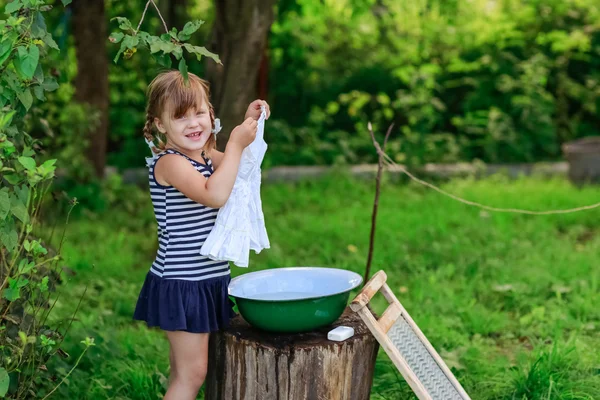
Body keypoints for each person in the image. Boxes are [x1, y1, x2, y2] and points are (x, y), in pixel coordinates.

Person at [133, 70, 270, 399]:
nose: (193, 123)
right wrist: (234, 143)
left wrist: (249, 124)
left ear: (211, 113)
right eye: (180, 117)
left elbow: (240, 172)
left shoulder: (205, 156)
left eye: (199, 112)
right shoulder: (169, 162)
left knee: (187, 370)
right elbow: (215, 194)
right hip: (183, 283)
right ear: (161, 125)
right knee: (192, 374)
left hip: (208, 279)